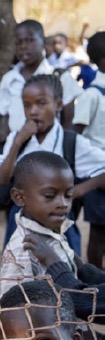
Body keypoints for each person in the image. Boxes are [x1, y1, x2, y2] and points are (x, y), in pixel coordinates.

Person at [0, 75, 105, 253]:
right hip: (21, 225)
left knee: (63, 276)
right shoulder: (17, 138)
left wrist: (77, 191)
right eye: (27, 105)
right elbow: (2, 179)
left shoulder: (71, 142)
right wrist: (17, 142)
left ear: (58, 105)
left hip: (60, 225)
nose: (33, 111)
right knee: (20, 275)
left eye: (41, 103)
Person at [0, 151, 77, 297]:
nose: (63, 204)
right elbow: (12, 306)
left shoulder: (54, 232)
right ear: (19, 197)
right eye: (50, 196)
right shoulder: (24, 248)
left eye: (68, 195)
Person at [0, 20, 81, 140]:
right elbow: (3, 115)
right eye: (18, 43)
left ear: (43, 41)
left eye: (30, 40)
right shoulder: (9, 78)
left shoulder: (58, 77)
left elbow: (69, 120)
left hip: (50, 148)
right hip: (18, 147)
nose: (23, 46)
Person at [73, 31, 105, 268]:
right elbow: (78, 133)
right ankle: (96, 278)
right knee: (98, 229)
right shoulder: (92, 95)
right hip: (98, 171)